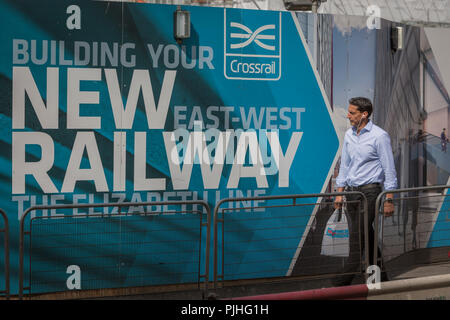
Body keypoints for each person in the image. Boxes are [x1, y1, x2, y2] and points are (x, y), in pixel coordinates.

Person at [333, 97, 397, 286]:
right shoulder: (349, 135)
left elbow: (389, 168)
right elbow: (345, 166)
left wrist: (389, 198)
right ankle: (379, 280)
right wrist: (339, 192)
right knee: (367, 237)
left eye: (352, 112)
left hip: (370, 194)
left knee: (358, 239)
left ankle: (343, 281)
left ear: (364, 114)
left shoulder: (379, 136)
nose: (348, 115)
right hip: (352, 194)